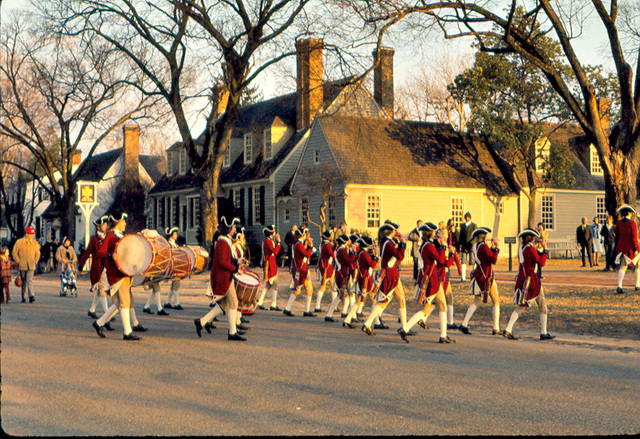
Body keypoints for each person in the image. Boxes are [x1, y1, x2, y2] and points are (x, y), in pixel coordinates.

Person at [92, 213, 147, 341]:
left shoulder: (123, 237)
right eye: (123, 221)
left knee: (118, 303)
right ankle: (127, 332)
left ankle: (99, 323)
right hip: (116, 274)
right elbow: (100, 252)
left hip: (125, 273)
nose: (125, 224)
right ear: (117, 222)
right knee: (125, 302)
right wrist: (111, 256)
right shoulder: (111, 236)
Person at [398, 222, 455, 344]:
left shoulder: (424, 245)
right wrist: (446, 249)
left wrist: (439, 245)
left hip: (431, 278)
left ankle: (406, 328)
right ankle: (442, 335)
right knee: (433, 307)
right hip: (432, 280)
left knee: (433, 307)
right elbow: (441, 260)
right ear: (431, 233)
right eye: (434, 233)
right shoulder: (429, 246)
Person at [193, 216, 247, 341]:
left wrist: (237, 261)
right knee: (233, 302)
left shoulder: (225, 240)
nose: (234, 229)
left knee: (225, 304)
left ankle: (201, 322)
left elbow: (227, 259)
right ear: (228, 228)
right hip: (224, 276)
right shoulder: (222, 241)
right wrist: (235, 269)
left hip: (226, 275)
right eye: (233, 227)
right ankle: (232, 332)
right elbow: (223, 262)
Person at [504, 227, 555, 340]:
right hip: (532, 282)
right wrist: (545, 251)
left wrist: (539, 250)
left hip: (525, 279)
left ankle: (509, 328)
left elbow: (534, 257)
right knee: (538, 306)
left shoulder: (522, 248)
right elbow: (541, 262)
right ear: (531, 239)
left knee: (532, 306)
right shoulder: (530, 249)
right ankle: (543, 332)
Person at [361, 221, 408, 336]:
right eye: (394, 230)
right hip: (390, 275)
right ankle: (368, 323)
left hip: (391, 274)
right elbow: (400, 256)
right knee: (384, 301)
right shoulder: (388, 243)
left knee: (400, 299)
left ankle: (405, 326)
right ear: (391, 232)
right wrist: (403, 244)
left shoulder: (385, 242)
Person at [458, 227, 501, 336]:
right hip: (486, 276)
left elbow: (484, 257)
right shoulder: (484, 246)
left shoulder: (475, 246)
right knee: (496, 300)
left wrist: (492, 248)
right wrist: (496, 249)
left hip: (478, 274)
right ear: (484, 237)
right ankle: (496, 327)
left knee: (477, 301)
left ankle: (464, 323)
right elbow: (492, 259)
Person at [79, 215, 111, 319]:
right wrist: (80, 268)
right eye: (104, 225)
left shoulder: (107, 238)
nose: (106, 226)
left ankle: (92, 310)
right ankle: (107, 313)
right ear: (98, 227)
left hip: (106, 267)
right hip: (98, 268)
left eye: (106, 224)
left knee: (100, 289)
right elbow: (86, 253)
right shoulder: (94, 239)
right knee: (102, 289)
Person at [343, 236, 378, 328]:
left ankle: (347, 319)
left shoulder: (360, 253)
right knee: (372, 300)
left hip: (362, 276)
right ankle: (376, 322)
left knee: (360, 300)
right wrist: (375, 257)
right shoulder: (364, 254)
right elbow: (372, 265)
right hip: (365, 277)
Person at [283, 227, 316, 317]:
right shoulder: (299, 245)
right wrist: (310, 246)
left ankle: (291, 308)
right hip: (301, 269)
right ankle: (302, 310)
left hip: (302, 268)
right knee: (299, 290)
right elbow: (307, 254)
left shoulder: (298, 244)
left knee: (308, 289)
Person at [325, 234, 354, 322]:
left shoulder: (341, 249)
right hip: (343, 274)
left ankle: (351, 315)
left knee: (348, 294)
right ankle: (352, 316)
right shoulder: (341, 250)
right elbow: (349, 261)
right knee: (343, 295)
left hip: (343, 273)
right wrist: (352, 253)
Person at [613, 205, 640, 294]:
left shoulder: (618, 223)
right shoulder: (632, 223)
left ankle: (619, 285)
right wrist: (636, 247)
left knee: (623, 266)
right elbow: (634, 236)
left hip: (621, 247)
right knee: (638, 265)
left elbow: (616, 235)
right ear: (629, 213)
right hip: (631, 247)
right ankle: (637, 285)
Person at [257, 225, 283, 311]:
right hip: (270, 263)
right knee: (274, 284)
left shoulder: (269, 240)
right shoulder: (267, 241)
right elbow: (275, 251)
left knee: (268, 285)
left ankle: (260, 302)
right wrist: (278, 242)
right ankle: (273, 304)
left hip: (272, 262)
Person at [12, 227, 40, 303]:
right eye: (31, 234)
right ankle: (23, 297)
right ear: (26, 234)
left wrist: (35, 262)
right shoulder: (19, 242)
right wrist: (18, 261)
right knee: (23, 281)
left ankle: (31, 296)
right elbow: (14, 252)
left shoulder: (35, 243)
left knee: (29, 280)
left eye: (33, 234)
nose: (32, 236)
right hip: (22, 265)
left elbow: (37, 253)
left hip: (31, 265)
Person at [313, 230, 335, 313]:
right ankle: (317, 306)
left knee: (333, 285)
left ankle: (334, 305)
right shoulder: (326, 245)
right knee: (323, 286)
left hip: (327, 265)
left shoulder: (325, 244)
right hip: (326, 266)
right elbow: (332, 254)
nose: (333, 236)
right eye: (331, 235)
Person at [164, 227, 185, 310]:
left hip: (176, 266)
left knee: (174, 285)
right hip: (173, 267)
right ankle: (177, 303)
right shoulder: (169, 244)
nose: (176, 235)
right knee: (176, 284)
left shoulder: (174, 244)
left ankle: (167, 302)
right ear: (171, 235)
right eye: (175, 234)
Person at [457, 212, 477, 282]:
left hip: (471, 246)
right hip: (464, 246)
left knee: (473, 262)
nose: (467, 218)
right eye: (466, 217)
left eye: (468, 217)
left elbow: (475, 236)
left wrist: (472, 243)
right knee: (463, 262)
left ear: (470, 217)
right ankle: (463, 277)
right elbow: (460, 236)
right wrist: (459, 245)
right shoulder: (462, 225)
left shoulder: (474, 225)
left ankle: (474, 276)